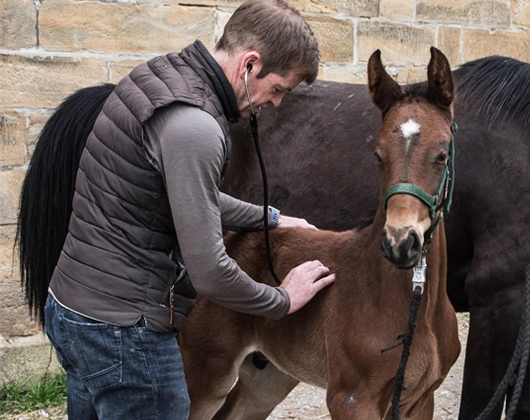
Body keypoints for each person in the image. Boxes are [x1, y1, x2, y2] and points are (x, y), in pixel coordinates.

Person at [44, 0, 335, 418]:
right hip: (126, 335)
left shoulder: (161, 76)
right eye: (277, 90)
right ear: (249, 65)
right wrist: (282, 299)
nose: (275, 104)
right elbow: (211, 272)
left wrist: (270, 217)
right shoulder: (195, 126)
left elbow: (188, 194)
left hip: (74, 311)